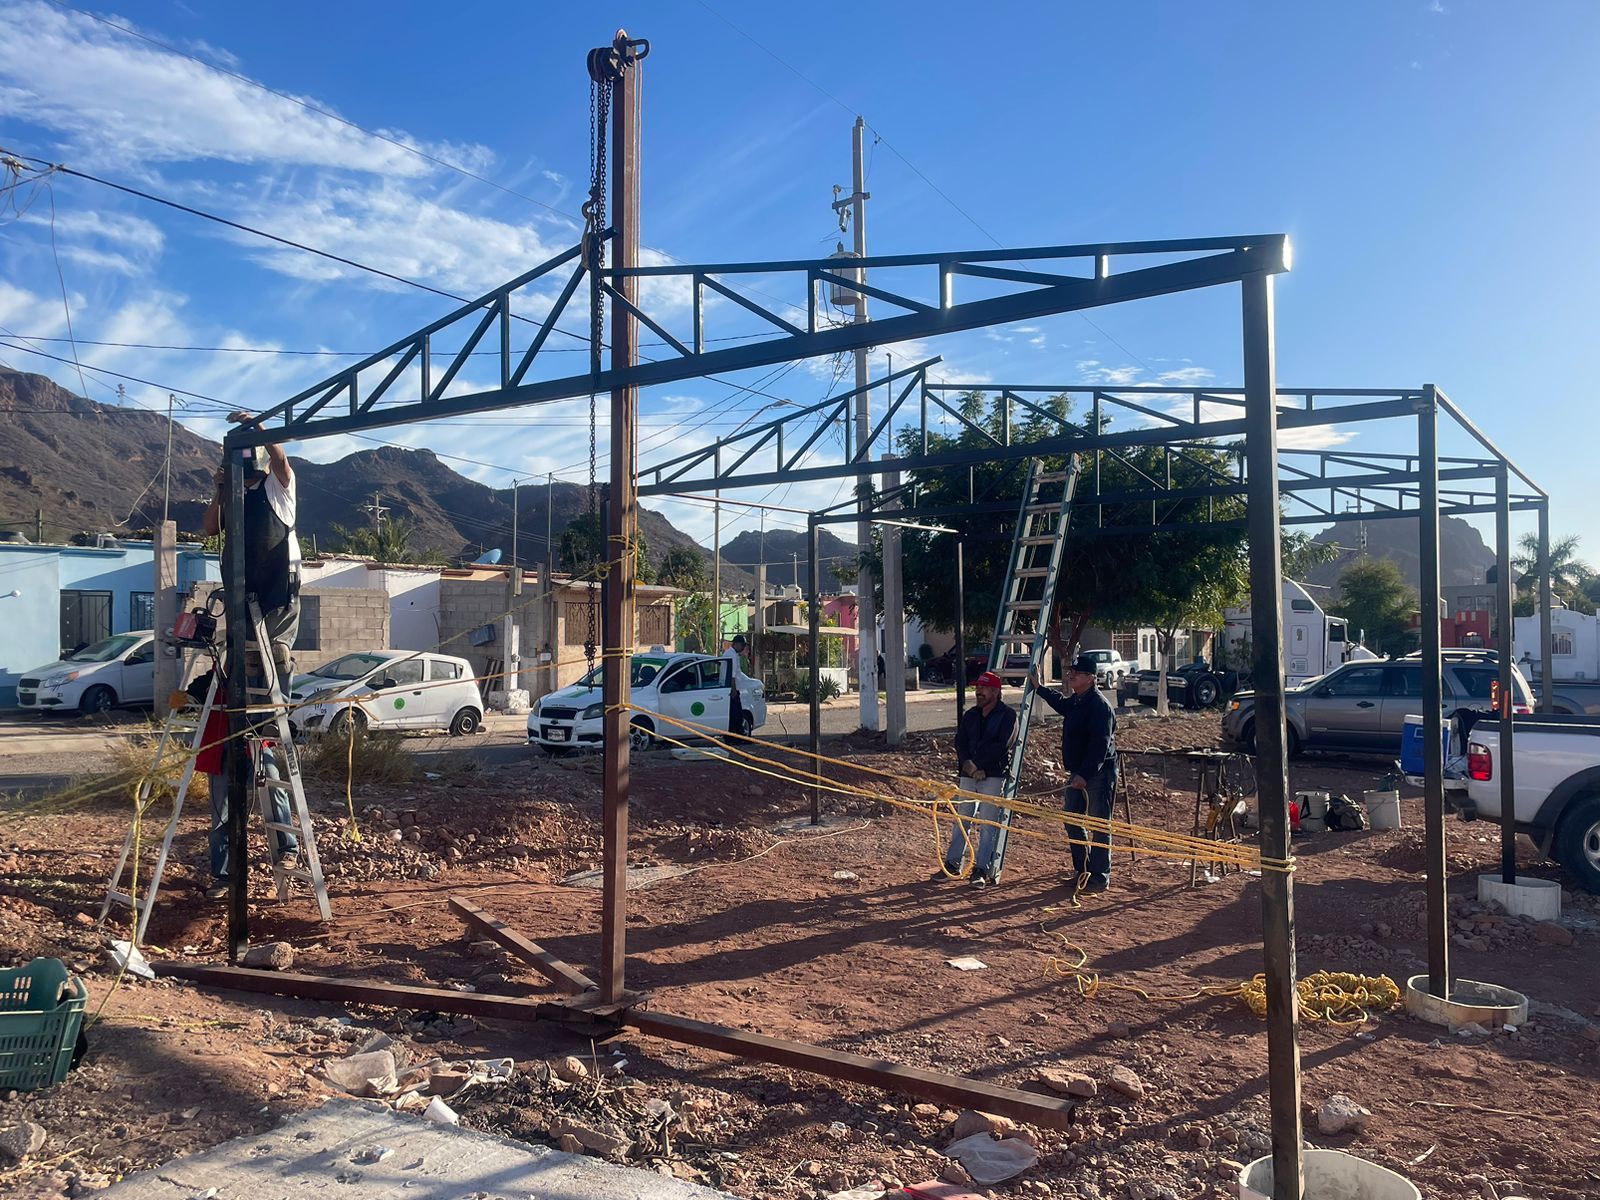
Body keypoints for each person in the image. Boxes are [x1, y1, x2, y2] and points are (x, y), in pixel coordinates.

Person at [202, 411, 301, 674]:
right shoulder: (234, 494)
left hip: (279, 584)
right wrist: (220, 490)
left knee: (276, 656)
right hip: (243, 585)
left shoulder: (278, 487)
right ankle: (241, 715)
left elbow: (280, 459)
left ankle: (276, 711)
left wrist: (257, 424)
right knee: (243, 662)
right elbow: (212, 528)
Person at [187, 669, 298, 901]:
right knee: (222, 815)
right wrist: (189, 699)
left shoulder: (263, 674)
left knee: (274, 786)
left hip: (255, 746)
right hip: (222, 750)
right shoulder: (218, 675)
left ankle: (288, 851)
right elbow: (194, 692)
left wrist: (284, 663)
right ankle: (225, 876)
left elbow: (282, 688)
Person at [1032, 654, 1118, 892]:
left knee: (1100, 825)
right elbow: (1061, 703)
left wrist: (1085, 774)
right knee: (1072, 820)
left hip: (1097, 775)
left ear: (1091, 678)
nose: (1071, 676)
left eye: (1076, 673)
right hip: (1078, 773)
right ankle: (1083, 870)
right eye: (1071, 672)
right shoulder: (1078, 701)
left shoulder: (1100, 706)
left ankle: (1100, 876)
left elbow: (1100, 746)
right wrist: (1040, 687)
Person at [936, 670, 1016, 886]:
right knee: (962, 819)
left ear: (995, 691)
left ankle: (981, 869)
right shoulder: (971, 715)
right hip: (969, 773)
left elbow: (1002, 746)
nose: (978, 692)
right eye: (977, 688)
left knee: (988, 823)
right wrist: (969, 765)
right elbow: (960, 741)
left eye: (983, 688)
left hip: (993, 775)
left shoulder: (1008, 716)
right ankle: (953, 864)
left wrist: (980, 765)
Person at [722, 633, 749, 739]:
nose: (743, 648)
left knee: (736, 714)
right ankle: (736, 737)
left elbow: (738, 673)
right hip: (731, 689)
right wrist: (733, 691)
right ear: (737, 644)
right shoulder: (731, 655)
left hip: (733, 688)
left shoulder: (733, 654)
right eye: (742, 645)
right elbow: (732, 675)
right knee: (735, 715)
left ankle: (737, 736)